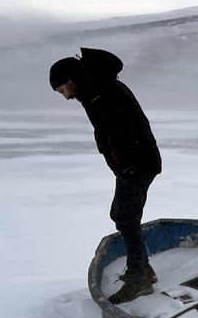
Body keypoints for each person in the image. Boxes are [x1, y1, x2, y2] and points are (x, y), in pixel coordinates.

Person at [49, 48, 162, 304]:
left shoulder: (99, 92)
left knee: (125, 216)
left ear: (70, 80)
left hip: (137, 164)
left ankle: (139, 277)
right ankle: (142, 269)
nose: (65, 97)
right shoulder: (96, 89)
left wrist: (125, 165)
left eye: (61, 91)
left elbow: (119, 132)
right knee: (124, 215)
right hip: (137, 163)